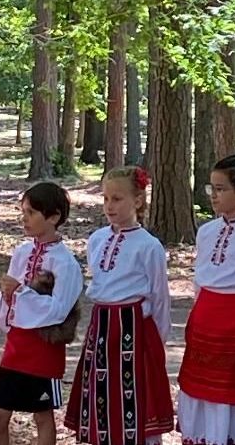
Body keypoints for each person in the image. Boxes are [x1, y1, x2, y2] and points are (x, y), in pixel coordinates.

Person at [65, 166, 173, 445]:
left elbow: (160, 297)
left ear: (137, 201)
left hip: (133, 329)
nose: (109, 205)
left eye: (117, 199)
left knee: (134, 393)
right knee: (102, 391)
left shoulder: (149, 246)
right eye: (105, 199)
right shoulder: (97, 240)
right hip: (102, 326)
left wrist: (157, 341)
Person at [177, 155, 235, 445]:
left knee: (231, 393)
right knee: (202, 392)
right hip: (205, 323)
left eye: (220, 189)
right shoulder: (206, 232)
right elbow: (200, 280)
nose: (213, 195)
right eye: (211, 188)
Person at [0, 182, 84, 445]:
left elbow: (59, 309)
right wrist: (8, 296)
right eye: (23, 212)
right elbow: (10, 297)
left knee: (42, 415)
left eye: (31, 212)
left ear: (53, 217)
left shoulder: (65, 263)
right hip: (17, 344)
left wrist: (20, 292)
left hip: (44, 347)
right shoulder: (22, 252)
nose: (25, 218)